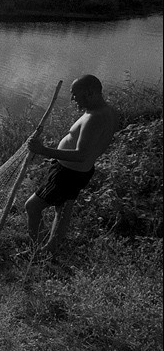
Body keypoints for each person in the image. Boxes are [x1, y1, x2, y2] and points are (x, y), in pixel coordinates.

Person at [25, 74, 118, 258]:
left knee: (32, 207)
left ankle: (38, 253)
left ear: (90, 93)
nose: (72, 99)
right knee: (63, 209)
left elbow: (81, 155)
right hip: (80, 172)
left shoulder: (94, 118)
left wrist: (43, 150)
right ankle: (50, 250)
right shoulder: (109, 112)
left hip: (67, 174)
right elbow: (94, 148)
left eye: (75, 94)